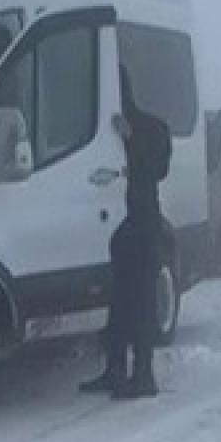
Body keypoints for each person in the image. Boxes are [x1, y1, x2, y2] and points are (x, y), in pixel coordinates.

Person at [81, 68, 172, 400]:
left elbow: (156, 170)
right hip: (116, 226)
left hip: (143, 224)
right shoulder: (99, 130)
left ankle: (144, 374)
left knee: (142, 301)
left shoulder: (152, 128)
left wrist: (131, 138)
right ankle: (115, 368)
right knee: (118, 301)